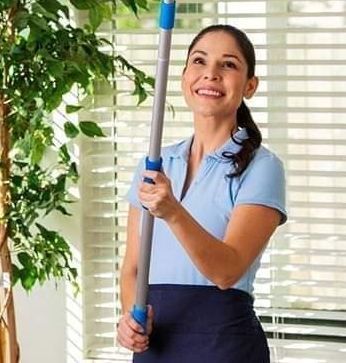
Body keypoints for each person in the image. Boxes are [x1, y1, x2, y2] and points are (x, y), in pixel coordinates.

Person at [116, 24, 287, 362]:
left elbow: (227, 271)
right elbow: (133, 269)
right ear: (184, 78)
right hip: (156, 347)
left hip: (223, 347)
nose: (210, 73)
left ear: (250, 86)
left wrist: (172, 211)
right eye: (199, 61)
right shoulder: (155, 165)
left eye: (228, 64)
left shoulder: (263, 168)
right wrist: (130, 320)